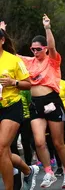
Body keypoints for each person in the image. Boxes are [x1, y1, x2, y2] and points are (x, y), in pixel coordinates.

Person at [20, 15, 65, 188]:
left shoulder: (52, 60)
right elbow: (10, 54)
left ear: (45, 49)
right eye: (32, 49)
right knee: (39, 142)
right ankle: (49, 173)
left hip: (51, 102)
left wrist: (47, 28)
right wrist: (2, 32)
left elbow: (52, 46)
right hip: (36, 103)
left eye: (38, 49)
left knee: (58, 143)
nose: (35, 52)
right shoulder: (29, 62)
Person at [0, 22, 39, 190]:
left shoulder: (13, 60)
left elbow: (28, 84)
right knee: (5, 152)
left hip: (12, 106)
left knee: (1, 148)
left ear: (2, 40)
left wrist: (13, 82)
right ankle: (27, 170)